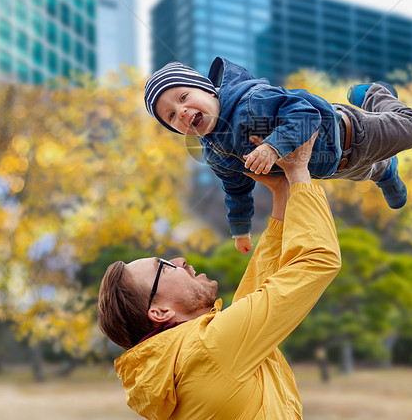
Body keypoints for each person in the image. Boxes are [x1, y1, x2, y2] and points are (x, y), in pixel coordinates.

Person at [98, 131, 341, 419]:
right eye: (164, 266)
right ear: (160, 312)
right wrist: (299, 172)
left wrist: (282, 192)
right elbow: (318, 260)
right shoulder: (209, 348)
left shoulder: (184, 360)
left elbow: (258, 291)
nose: (180, 260)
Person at [144, 57, 412, 254]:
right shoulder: (215, 152)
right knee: (369, 170)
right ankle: (387, 172)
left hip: (352, 131)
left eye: (183, 98)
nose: (180, 112)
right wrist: (240, 228)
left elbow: (305, 113)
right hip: (332, 166)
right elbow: (235, 188)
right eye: (170, 116)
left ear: (207, 89)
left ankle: (374, 94)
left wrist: (272, 147)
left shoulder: (253, 101)